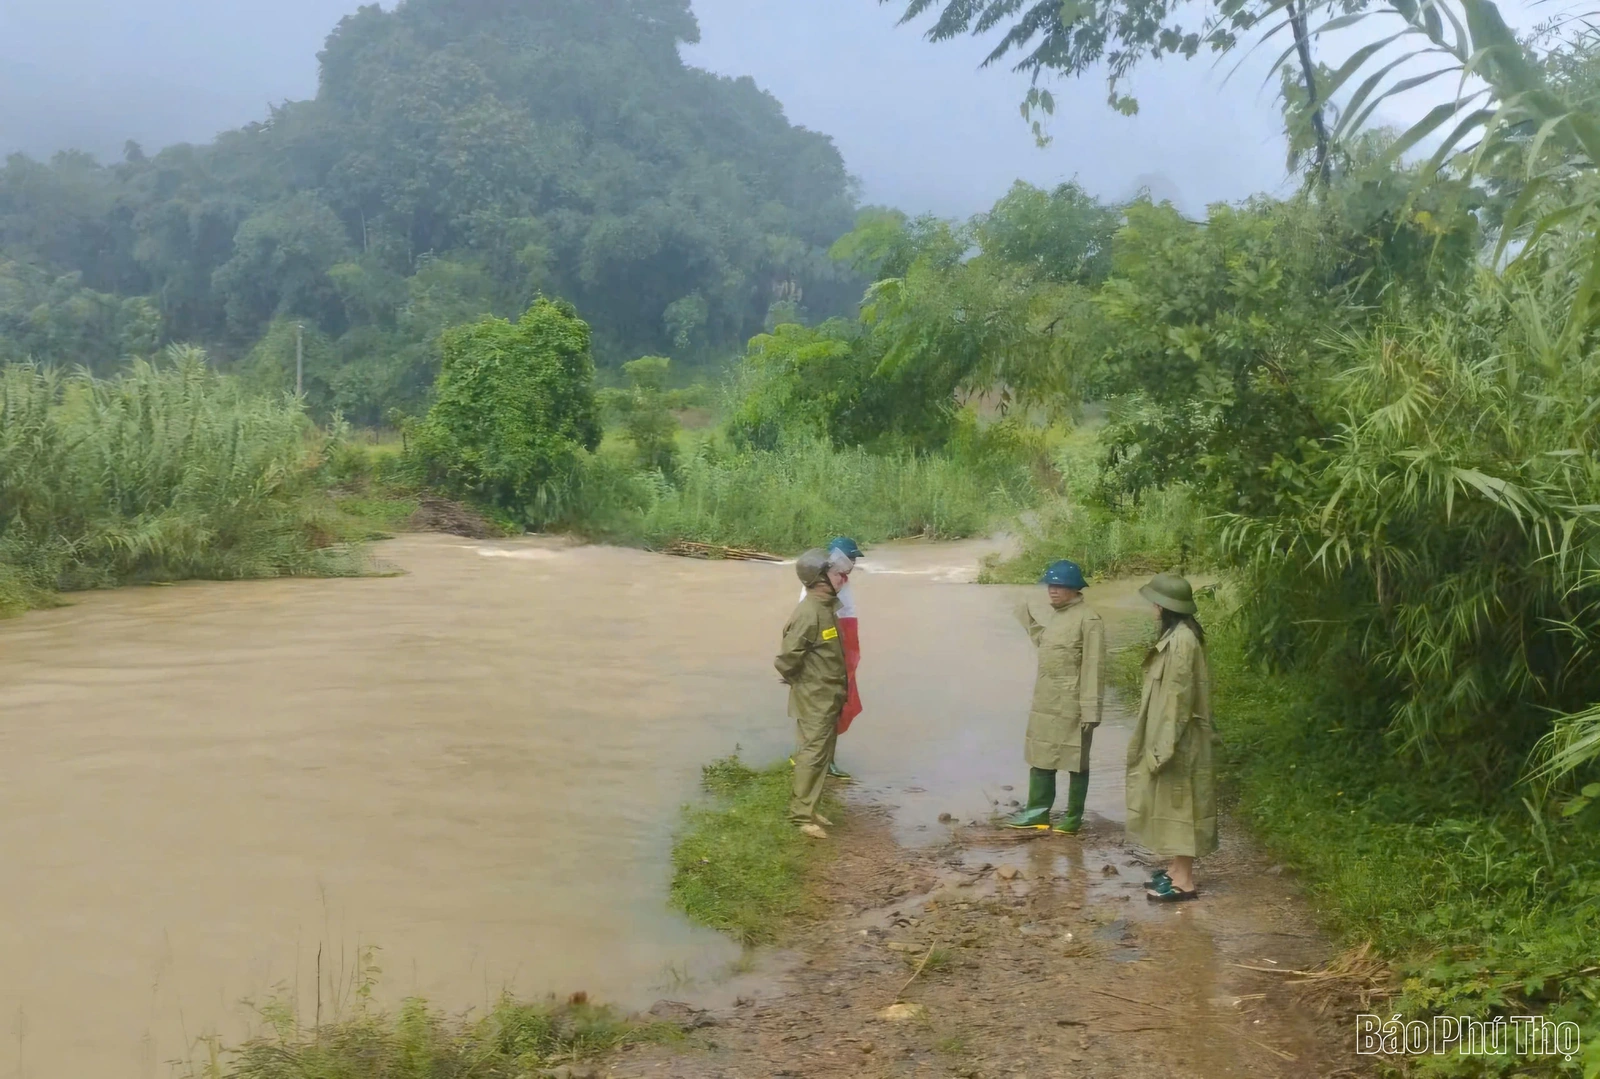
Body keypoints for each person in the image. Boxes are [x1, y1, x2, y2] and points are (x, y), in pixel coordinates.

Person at [1126, 573, 1217, 901]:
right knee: (1175, 807)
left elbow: (1179, 700)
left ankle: (1184, 882)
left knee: (1183, 807)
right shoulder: (1180, 635)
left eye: (1156, 601)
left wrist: (1163, 748)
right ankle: (1178, 870)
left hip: (1179, 739)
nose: (1153, 606)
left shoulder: (1181, 641)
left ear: (1166, 606)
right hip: (1174, 736)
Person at [1005, 559, 1106, 833]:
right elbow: (1047, 646)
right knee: (1041, 756)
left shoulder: (1089, 619)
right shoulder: (1058, 615)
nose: (1053, 590)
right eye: (1050, 585)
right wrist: (1026, 618)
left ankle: (1073, 818)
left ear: (1075, 588)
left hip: (1073, 702)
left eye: (1059, 585)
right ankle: (1038, 813)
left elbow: (1094, 668)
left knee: (1076, 759)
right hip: (1046, 701)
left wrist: (1091, 710)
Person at [775, 548, 850, 839]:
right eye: (836, 574)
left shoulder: (826, 607)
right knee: (811, 753)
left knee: (823, 753)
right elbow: (786, 659)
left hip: (829, 694)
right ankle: (800, 816)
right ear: (819, 580)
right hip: (815, 696)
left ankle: (810, 806)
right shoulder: (808, 613)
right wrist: (801, 682)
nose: (843, 578)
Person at [794, 537, 865, 779]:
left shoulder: (841, 581)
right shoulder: (818, 584)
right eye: (850, 558)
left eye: (854, 559)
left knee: (836, 706)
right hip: (822, 655)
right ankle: (808, 760)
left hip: (840, 652)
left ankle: (826, 760)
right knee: (817, 711)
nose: (853, 564)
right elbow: (807, 627)